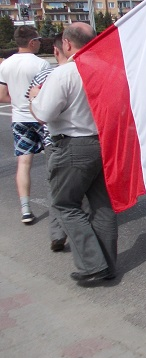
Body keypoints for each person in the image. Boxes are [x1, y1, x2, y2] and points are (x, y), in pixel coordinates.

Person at [29, 23, 118, 285]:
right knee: (101, 205)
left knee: (65, 204)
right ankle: (108, 265)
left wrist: (35, 97)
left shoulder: (64, 73)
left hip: (72, 145)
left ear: (67, 44)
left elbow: (44, 114)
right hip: (101, 142)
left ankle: (92, 264)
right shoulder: (104, 69)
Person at [0, 26, 50, 224]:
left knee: (23, 163)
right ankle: (59, 204)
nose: (39, 43)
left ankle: (26, 210)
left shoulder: (5, 65)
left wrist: (18, 100)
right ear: (31, 42)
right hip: (40, 118)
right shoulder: (41, 64)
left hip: (19, 119)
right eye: (38, 39)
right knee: (53, 162)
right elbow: (47, 93)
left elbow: (2, 96)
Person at [23, 33, 68, 251]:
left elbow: (38, 111)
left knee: (56, 188)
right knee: (88, 189)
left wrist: (34, 99)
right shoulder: (88, 72)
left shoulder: (44, 76)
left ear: (56, 50)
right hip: (87, 139)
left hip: (54, 140)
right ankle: (86, 231)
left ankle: (58, 232)